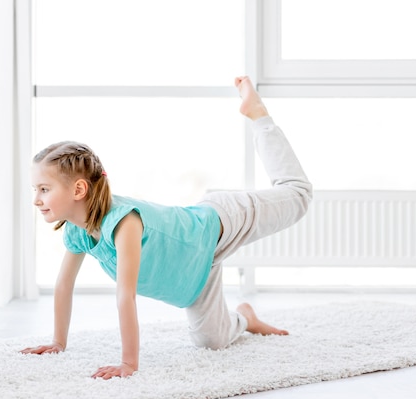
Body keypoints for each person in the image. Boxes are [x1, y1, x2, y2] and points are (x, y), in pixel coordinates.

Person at [20, 76, 312, 380]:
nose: (36, 199)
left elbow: (125, 296)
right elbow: (64, 286)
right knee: (212, 341)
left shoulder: (124, 223)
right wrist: (58, 342)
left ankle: (258, 115)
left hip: (219, 224)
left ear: (79, 190)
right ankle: (246, 318)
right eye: (35, 189)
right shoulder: (77, 232)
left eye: (43, 189)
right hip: (196, 273)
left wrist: (128, 363)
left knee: (299, 197)